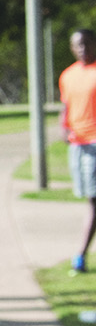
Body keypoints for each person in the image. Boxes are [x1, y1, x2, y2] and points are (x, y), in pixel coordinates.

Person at [60, 28, 96, 272]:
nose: (82, 48)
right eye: (77, 45)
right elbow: (66, 106)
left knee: (93, 200)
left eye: (85, 43)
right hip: (77, 144)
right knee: (88, 197)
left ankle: (80, 254)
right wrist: (63, 127)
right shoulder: (68, 75)